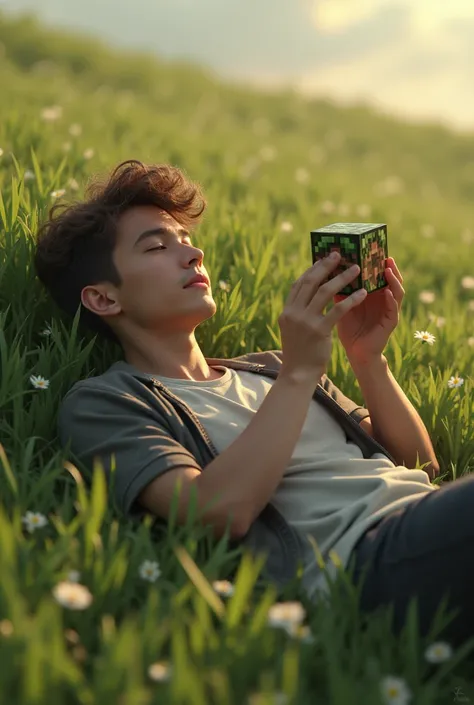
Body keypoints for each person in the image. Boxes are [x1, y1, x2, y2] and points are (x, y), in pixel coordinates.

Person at [34, 159, 474, 650]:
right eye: (158, 246)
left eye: (186, 239)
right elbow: (216, 512)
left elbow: (420, 464)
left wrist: (369, 360)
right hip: (363, 564)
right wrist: (300, 374)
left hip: (427, 517)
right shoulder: (106, 403)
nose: (193, 253)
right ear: (103, 299)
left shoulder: (268, 367)